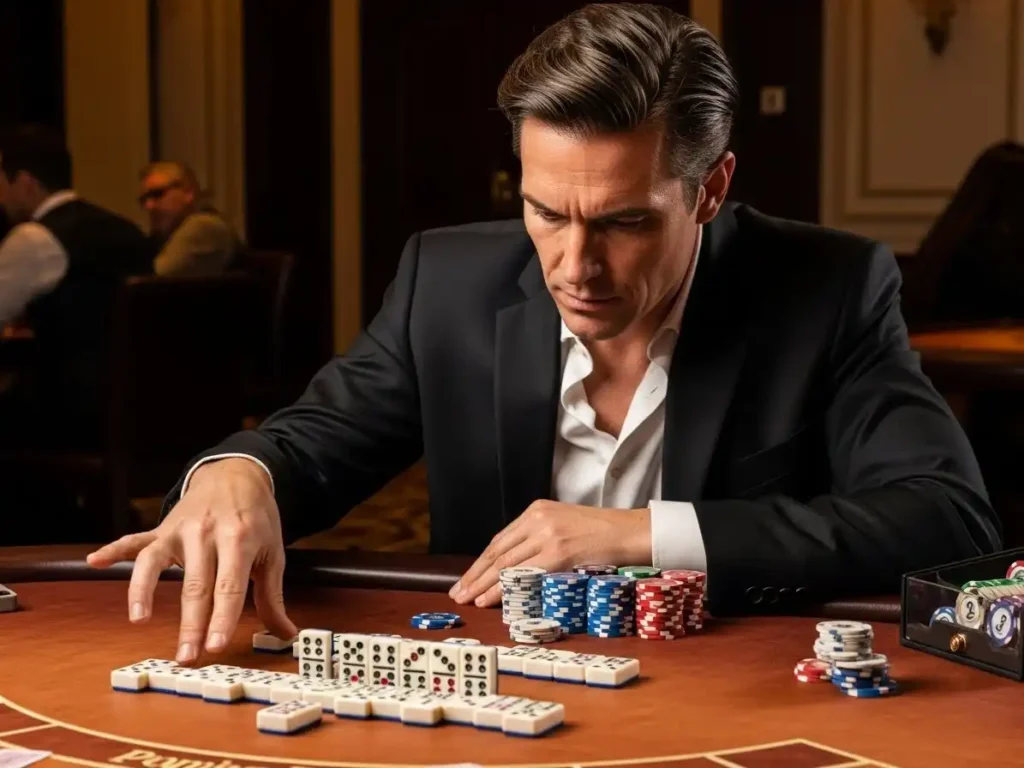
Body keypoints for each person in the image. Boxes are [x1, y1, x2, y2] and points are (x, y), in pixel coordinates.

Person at [87, 3, 999, 666]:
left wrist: (639, 535)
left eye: (625, 223)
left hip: (729, 698)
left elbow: (944, 515)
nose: (575, 264)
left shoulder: (827, 288)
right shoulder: (446, 280)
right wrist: (238, 473)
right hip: (495, 699)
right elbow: (318, 441)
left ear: (711, 190)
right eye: (545, 211)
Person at [0, 124, 151, 444]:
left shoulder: (35, 238)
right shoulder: (128, 229)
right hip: (143, 404)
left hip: (69, 412)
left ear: (25, 182)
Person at [139, 161, 240, 277]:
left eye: (158, 194)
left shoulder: (204, 226)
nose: (149, 205)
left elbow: (155, 280)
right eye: (144, 200)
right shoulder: (165, 236)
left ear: (188, 192)